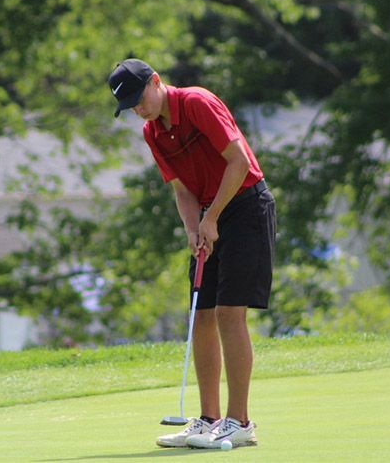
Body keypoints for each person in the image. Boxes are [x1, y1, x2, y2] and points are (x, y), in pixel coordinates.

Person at [108, 59, 275, 450]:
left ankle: (240, 422)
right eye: (130, 105)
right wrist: (192, 228)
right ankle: (209, 419)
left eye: (139, 98)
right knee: (201, 314)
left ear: (156, 82)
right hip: (206, 215)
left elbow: (238, 162)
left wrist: (212, 218)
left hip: (245, 206)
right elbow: (181, 188)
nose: (139, 109)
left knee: (228, 312)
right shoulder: (153, 132)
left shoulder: (198, 102)